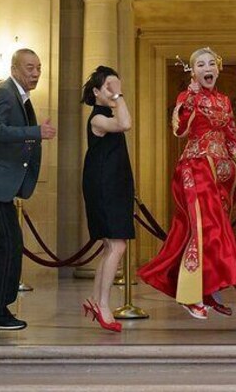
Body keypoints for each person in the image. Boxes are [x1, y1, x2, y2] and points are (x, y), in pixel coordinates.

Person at [138, 47, 236, 319]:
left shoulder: (223, 100)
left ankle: (208, 290)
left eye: (211, 63)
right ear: (194, 71)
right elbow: (179, 129)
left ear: (218, 68)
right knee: (204, 227)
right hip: (195, 167)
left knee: (215, 229)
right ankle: (189, 295)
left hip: (221, 172)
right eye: (201, 64)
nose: (207, 68)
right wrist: (189, 99)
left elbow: (231, 132)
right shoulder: (187, 97)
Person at [0, 48, 57, 330]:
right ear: (15, 68)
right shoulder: (3, 92)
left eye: (39, 68)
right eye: (30, 67)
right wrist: (35, 132)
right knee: (9, 245)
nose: (36, 73)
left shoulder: (18, 96)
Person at [80, 66, 134, 333]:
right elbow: (125, 124)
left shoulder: (108, 112)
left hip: (114, 184)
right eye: (110, 87)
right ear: (97, 92)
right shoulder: (97, 118)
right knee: (117, 245)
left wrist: (116, 98)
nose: (115, 92)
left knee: (111, 246)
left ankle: (95, 299)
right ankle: (103, 304)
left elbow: (124, 122)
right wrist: (118, 97)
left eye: (118, 86)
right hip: (103, 186)